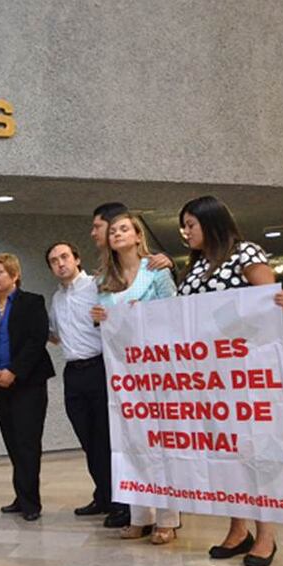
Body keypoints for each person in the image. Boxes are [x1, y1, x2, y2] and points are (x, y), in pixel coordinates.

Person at [176, 195, 283, 566]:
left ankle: (267, 534)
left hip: (242, 374)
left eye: (190, 224)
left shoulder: (246, 254)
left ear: (211, 223)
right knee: (225, 452)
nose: (185, 232)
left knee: (254, 451)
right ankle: (238, 528)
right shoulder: (196, 267)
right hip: (206, 379)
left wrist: (219, 324)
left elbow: (265, 308)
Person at [89, 213, 179, 544]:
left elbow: (174, 312)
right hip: (125, 373)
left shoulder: (156, 268)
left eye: (124, 228)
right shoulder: (104, 279)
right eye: (112, 231)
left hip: (159, 368)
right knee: (132, 443)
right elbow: (109, 325)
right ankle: (141, 515)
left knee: (164, 444)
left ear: (138, 234)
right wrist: (100, 318)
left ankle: (168, 518)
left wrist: (145, 313)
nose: (117, 234)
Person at [46, 242, 128, 528]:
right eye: (54, 261)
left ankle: (121, 503)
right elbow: (55, 335)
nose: (60, 263)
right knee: (88, 440)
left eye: (65, 257)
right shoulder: (56, 299)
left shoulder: (97, 286)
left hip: (100, 367)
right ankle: (103, 495)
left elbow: (120, 317)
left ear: (77, 258)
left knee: (106, 439)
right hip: (73, 372)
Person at [0, 253, 54, 522]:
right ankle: (21, 495)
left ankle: (31, 502)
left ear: (14, 275)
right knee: (12, 441)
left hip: (27, 382)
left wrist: (14, 371)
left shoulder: (32, 302)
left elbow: (36, 339)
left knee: (27, 442)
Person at [91, 203, 174, 272]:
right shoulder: (105, 272)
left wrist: (170, 265)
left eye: (97, 227)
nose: (93, 233)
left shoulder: (155, 263)